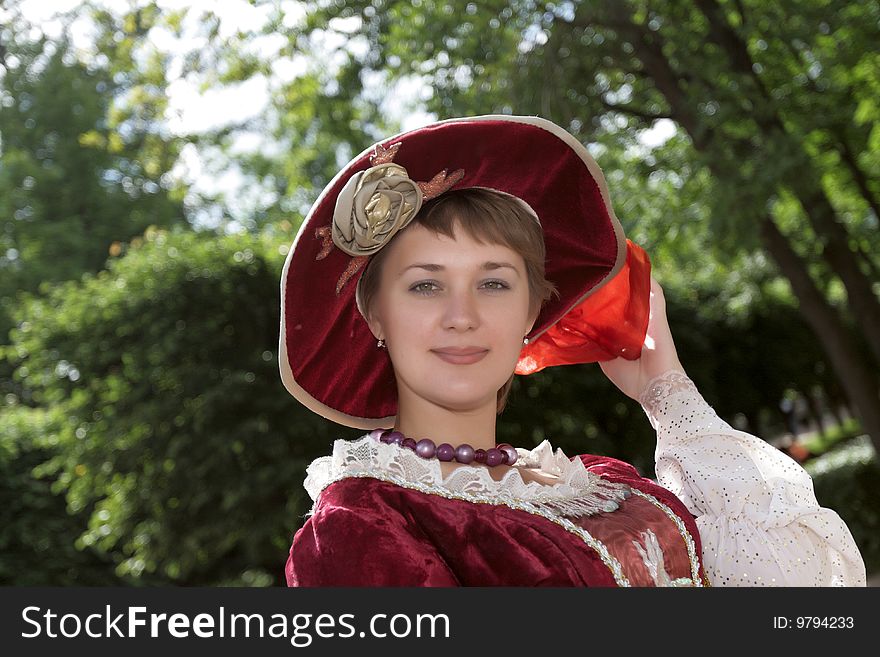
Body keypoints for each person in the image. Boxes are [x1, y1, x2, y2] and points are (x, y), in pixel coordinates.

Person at [278, 115, 866, 586]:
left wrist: (666, 390)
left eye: (495, 283)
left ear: (533, 311)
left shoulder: (605, 484)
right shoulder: (360, 524)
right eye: (426, 285)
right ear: (375, 313)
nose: (463, 317)